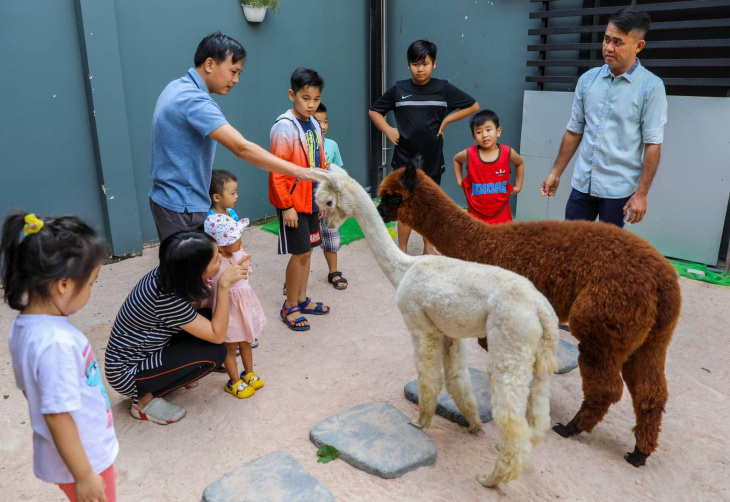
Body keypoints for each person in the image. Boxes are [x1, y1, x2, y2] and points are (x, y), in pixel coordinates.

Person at [149, 32, 318, 242]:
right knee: (189, 272)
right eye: (233, 71)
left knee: (183, 267)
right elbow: (242, 148)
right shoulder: (194, 100)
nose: (236, 80)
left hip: (167, 199)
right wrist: (299, 171)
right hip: (182, 206)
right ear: (210, 64)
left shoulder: (176, 87)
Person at [2, 210, 118, 501]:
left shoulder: (24, 327)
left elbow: (33, 393)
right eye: (90, 283)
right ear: (64, 284)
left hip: (70, 454)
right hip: (86, 461)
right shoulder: (57, 343)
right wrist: (84, 475)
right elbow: (57, 415)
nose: (91, 290)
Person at [540, 8, 667, 227]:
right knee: (571, 246)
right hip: (582, 185)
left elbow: (653, 144)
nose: (608, 48)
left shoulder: (651, 88)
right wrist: (555, 172)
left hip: (618, 191)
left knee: (607, 255)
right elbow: (574, 130)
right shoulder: (588, 80)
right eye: (606, 39)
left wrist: (642, 194)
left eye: (618, 42)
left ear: (639, 46)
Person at [104, 231, 248, 424]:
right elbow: (217, 335)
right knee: (215, 352)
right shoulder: (166, 298)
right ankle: (143, 401)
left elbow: (196, 309)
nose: (222, 258)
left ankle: (167, 376)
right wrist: (223, 285)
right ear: (195, 270)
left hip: (151, 349)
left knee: (209, 316)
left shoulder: (169, 275)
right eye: (215, 259)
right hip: (128, 372)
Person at [369, 39, 479, 254]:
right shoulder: (399, 89)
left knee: (430, 207)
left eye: (425, 63)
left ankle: (428, 249)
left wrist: (446, 120)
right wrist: (389, 130)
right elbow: (375, 111)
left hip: (432, 158)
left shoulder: (443, 88)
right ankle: (401, 250)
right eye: (415, 64)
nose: (420, 69)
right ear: (408, 65)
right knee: (403, 206)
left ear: (434, 64)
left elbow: (472, 105)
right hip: (404, 159)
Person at [269, 67, 330, 332]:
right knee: (300, 253)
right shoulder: (284, 127)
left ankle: (302, 300)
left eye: (316, 99)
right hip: (293, 203)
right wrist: (287, 206)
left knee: (309, 252)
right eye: (305, 98)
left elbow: (319, 164)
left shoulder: (315, 123)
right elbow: (277, 170)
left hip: (311, 199)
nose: (311, 104)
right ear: (292, 94)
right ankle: (290, 306)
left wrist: (321, 199)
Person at [204, 214, 265, 399]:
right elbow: (208, 284)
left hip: (243, 306)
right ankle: (234, 381)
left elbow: (246, 273)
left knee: (246, 340)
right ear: (220, 246)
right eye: (235, 238)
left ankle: (248, 372)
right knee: (230, 347)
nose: (240, 240)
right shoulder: (215, 263)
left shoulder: (240, 253)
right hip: (227, 310)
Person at [453, 109, 525, 224]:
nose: (484, 135)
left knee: (503, 239)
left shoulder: (507, 152)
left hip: (501, 211)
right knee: (476, 240)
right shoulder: (469, 153)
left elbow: (520, 163)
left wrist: (518, 186)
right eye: (479, 132)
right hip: (476, 211)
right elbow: (456, 160)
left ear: (498, 131)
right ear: (474, 137)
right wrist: (459, 181)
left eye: (488, 129)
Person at [312, 103, 348, 290]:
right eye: (318, 122)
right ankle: (296, 278)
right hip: (308, 203)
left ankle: (333, 271)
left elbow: (337, 173)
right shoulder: (303, 146)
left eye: (326, 121)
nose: (323, 126)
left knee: (331, 240)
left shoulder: (332, 145)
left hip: (329, 204)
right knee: (304, 246)